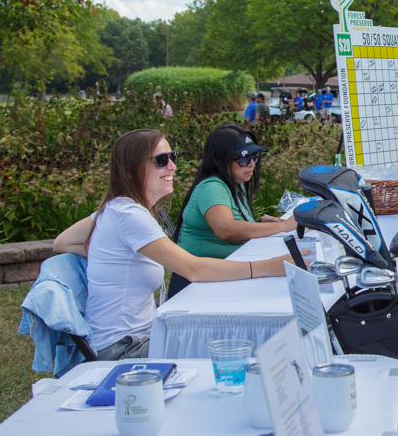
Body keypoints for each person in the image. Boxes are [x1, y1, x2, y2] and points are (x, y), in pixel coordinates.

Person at [52, 129, 300, 361]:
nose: (172, 166)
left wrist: (106, 254)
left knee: (237, 341)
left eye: (173, 157)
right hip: (123, 349)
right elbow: (193, 269)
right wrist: (271, 266)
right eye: (161, 160)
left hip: (133, 337)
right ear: (129, 171)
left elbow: (62, 242)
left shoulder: (116, 208)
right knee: (242, 348)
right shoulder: (128, 215)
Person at [168, 125, 296, 296]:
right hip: (195, 285)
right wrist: (284, 226)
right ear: (218, 160)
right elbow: (226, 229)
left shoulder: (235, 183)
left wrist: (257, 224)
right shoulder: (212, 186)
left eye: (254, 156)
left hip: (219, 274)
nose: (251, 164)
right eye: (243, 159)